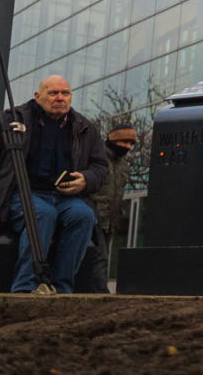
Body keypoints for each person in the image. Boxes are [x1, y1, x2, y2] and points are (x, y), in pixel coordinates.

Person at [0, 76, 109, 292]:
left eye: (65, 93)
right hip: (22, 194)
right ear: (37, 96)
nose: (60, 98)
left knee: (84, 216)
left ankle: (61, 287)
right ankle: (25, 287)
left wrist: (86, 180)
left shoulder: (85, 128)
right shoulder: (10, 120)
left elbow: (100, 167)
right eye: (53, 93)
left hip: (66, 198)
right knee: (42, 214)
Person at [74, 124, 139, 294]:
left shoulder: (123, 165)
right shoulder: (96, 158)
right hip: (92, 213)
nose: (128, 147)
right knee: (99, 256)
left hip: (110, 219)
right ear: (113, 139)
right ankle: (99, 292)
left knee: (101, 256)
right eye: (124, 142)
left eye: (130, 143)